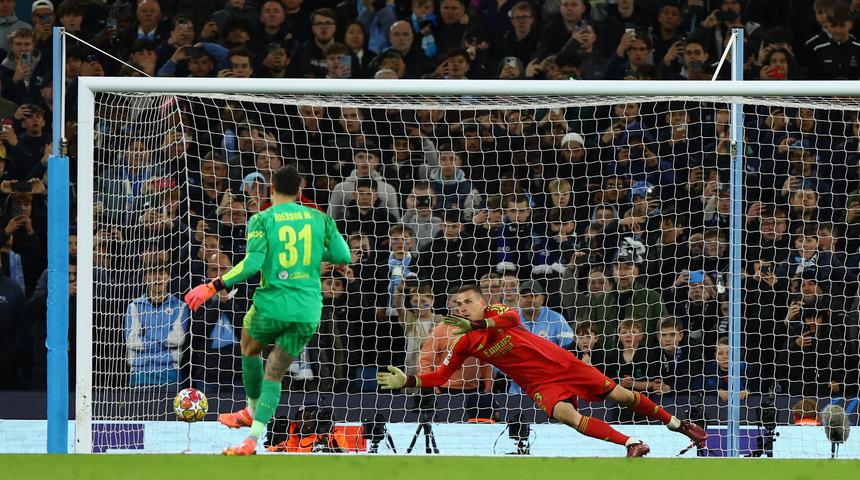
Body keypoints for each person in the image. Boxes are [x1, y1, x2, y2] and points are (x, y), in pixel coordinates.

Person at [377, 284, 708, 457]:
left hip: (562, 363)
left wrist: (479, 322)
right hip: (536, 383)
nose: (461, 307)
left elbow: (509, 321)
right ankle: (632, 443)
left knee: (622, 396)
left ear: (480, 302)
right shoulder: (464, 343)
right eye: (457, 305)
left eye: (467, 302)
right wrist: (408, 379)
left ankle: (680, 425)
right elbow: (441, 376)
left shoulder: (499, 311)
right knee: (565, 415)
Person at [184, 166, 351, 455]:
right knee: (275, 372)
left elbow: (250, 265)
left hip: (272, 305)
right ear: (300, 192)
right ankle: (252, 440)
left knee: (249, 349)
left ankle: (250, 409)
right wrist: (311, 256)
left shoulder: (262, 219)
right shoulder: (320, 218)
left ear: (271, 189)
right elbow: (342, 256)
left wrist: (213, 285)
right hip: (307, 310)